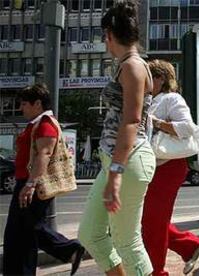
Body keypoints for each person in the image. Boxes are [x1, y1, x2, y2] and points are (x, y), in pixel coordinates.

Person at [78, 1, 156, 275]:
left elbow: (132, 122)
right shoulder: (126, 66)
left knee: (128, 242)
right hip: (115, 159)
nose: (104, 42)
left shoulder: (133, 67)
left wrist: (116, 174)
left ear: (109, 34)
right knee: (91, 234)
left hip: (128, 160)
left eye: (104, 36)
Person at [2, 84, 84, 276]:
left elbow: (44, 153)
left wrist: (30, 184)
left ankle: (69, 249)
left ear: (37, 103)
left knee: (24, 231)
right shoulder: (37, 123)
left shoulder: (45, 123)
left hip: (33, 185)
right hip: (28, 182)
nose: (21, 108)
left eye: (24, 104)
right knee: (23, 235)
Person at [141, 59, 199, 276]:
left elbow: (187, 128)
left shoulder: (171, 99)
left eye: (147, 77)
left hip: (169, 166)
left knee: (152, 221)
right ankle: (188, 245)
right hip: (150, 166)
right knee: (148, 220)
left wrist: (156, 122)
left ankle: (157, 271)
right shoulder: (148, 100)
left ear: (159, 79)